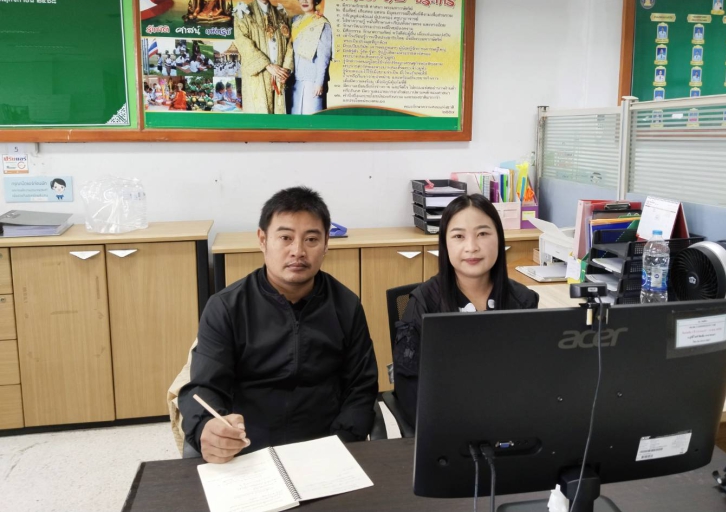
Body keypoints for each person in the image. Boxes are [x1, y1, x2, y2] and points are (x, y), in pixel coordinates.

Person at [178, 187, 378, 463]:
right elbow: (204, 387)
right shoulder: (226, 307)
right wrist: (206, 428)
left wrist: (342, 443)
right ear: (263, 240)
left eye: (311, 239)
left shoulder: (346, 305)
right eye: (285, 237)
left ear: (326, 244)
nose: (298, 251)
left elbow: (361, 387)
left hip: (327, 447)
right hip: (247, 449)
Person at [392, 194, 539, 427]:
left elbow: (534, 379)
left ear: (499, 239)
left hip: (510, 425)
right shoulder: (423, 303)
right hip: (445, 428)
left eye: (483, 234)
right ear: (445, 244)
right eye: (459, 236)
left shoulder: (522, 300)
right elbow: (409, 389)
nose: (472, 247)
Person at [233, 0, 293, 114]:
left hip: (279, 74)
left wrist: (284, 70)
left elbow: (290, 44)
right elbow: (243, 43)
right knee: (259, 112)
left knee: (279, 115)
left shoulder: (281, 15)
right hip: (258, 74)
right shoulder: (243, 14)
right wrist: (268, 65)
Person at [290, 0, 333, 115]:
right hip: (295, 79)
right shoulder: (295, 21)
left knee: (311, 119)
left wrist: (319, 82)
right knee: (295, 119)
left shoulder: (322, 23)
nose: (304, 1)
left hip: (312, 80)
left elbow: (324, 56)